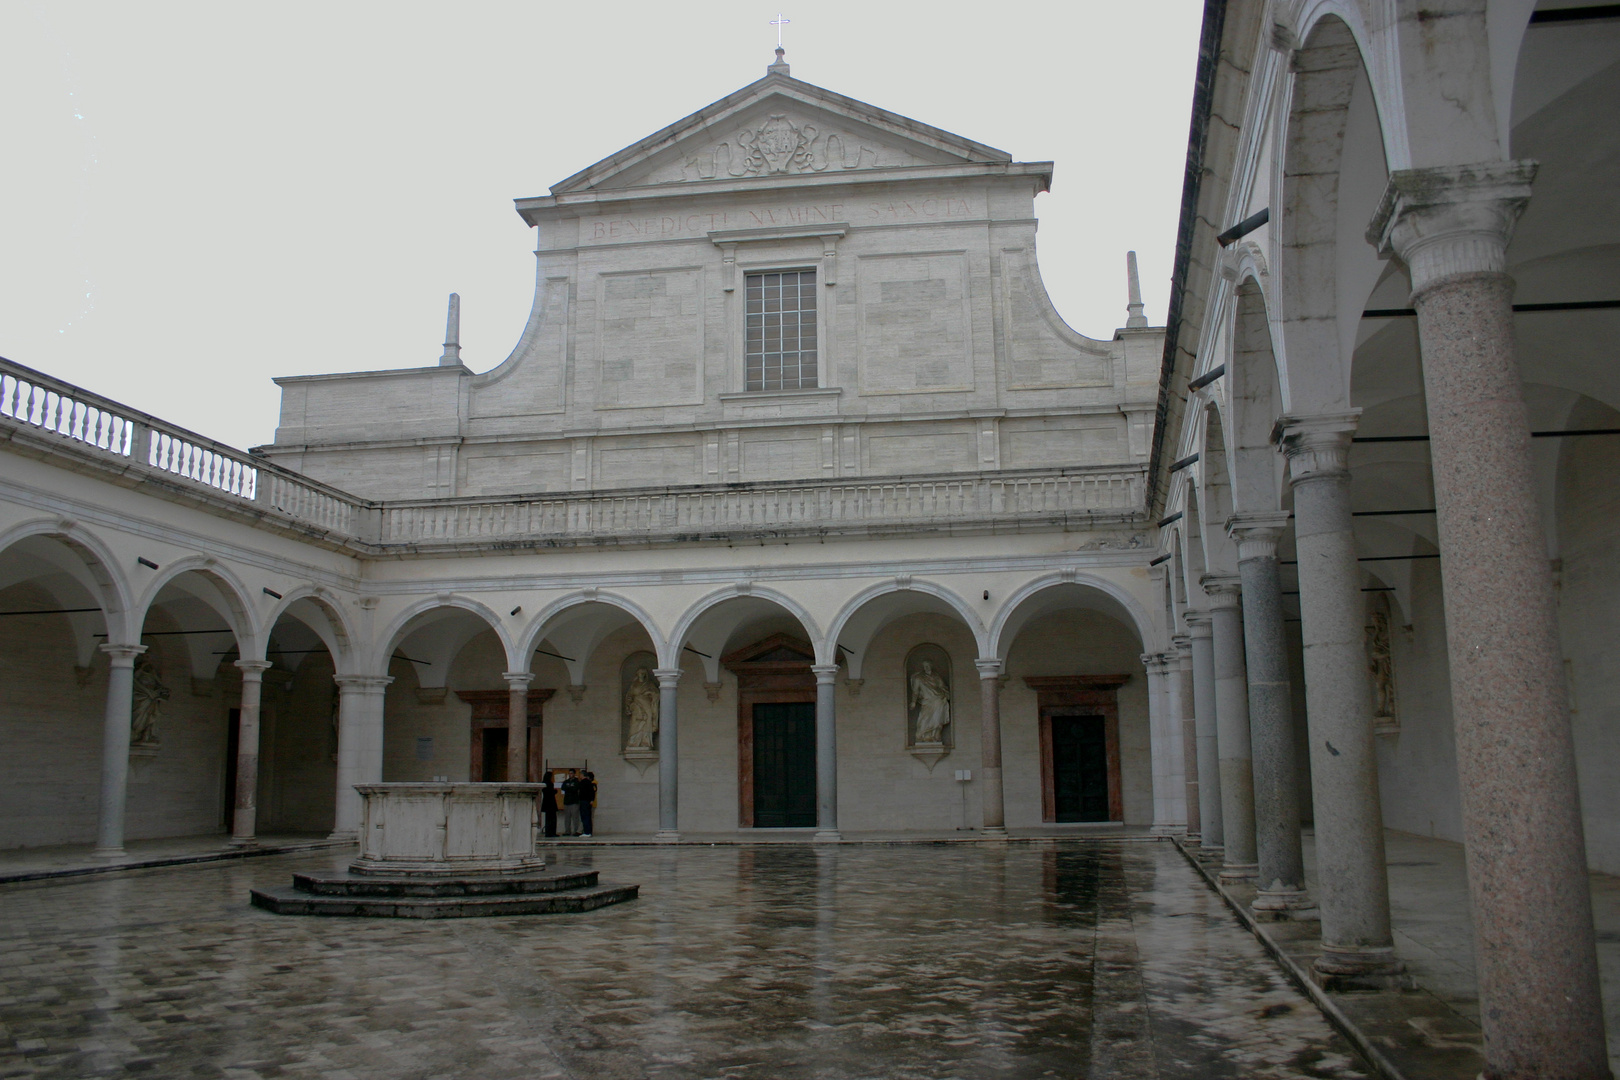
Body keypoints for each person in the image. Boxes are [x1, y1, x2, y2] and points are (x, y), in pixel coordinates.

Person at [910, 659, 951, 744]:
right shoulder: (919, 678)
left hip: (938, 699)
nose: (926, 667)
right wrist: (913, 702)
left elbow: (942, 686)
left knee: (937, 718)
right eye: (925, 666)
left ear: (931, 666)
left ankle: (935, 736)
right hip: (927, 701)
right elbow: (915, 691)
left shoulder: (936, 677)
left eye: (928, 665)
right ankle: (923, 736)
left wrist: (945, 694)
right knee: (924, 719)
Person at [624, 668, 658, 749]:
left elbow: (656, 694)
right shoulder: (634, 685)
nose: (642, 675)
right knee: (635, 722)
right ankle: (633, 742)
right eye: (640, 673)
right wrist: (629, 705)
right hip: (636, 706)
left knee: (647, 721)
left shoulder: (649, 684)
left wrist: (650, 693)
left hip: (647, 705)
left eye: (643, 673)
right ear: (637, 674)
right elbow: (629, 696)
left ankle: (645, 742)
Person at [560, 770, 581, 836]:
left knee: (575, 818)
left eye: (571, 773)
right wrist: (570, 788)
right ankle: (567, 831)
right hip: (567, 801)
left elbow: (575, 789)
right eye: (569, 773)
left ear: (574, 774)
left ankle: (576, 831)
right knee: (567, 818)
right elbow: (563, 787)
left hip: (574, 801)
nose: (570, 774)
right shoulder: (566, 781)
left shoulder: (577, 781)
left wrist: (568, 788)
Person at [579, 770, 597, 837]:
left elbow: (591, 792)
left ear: (582, 775)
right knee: (587, 816)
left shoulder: (583, 782)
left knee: (585, 816)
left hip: (584, 801)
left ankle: (587, 832)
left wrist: (591, 799)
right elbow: (592, 792)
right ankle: (588, 831)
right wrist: (592, 799)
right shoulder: (589, 782)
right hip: (587, 801)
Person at [539, 773, 557, 838]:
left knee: (548, 818)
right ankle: (552, 832)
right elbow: (550, 792)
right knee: (552, 818)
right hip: (550, 802)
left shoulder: (543, 783)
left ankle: (548, 832)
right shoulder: (549, 783)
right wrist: (555, 791)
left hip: (546, 802)